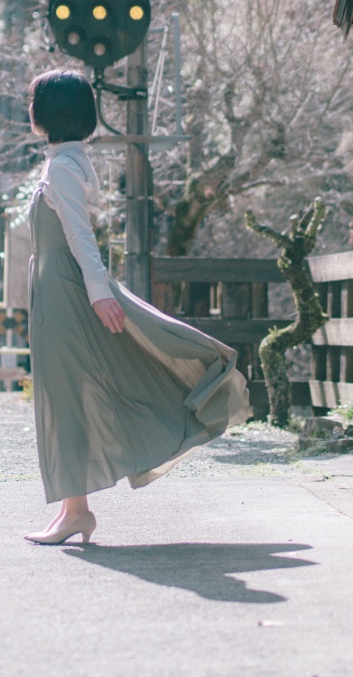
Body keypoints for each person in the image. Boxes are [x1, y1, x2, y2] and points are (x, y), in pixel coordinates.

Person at [22, 69, 250, 545]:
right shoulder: (70, 161)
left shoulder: (62, 168)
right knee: (70, 394)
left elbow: (80, 237)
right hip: (62, 290)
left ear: (48, 115)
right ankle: (74, 509)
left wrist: (100, 292)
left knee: (65, 395)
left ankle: (75, 510)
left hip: (65, 294)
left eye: (34, 103)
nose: (29, 110)